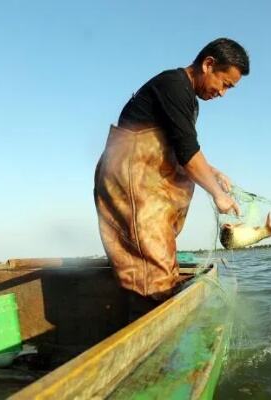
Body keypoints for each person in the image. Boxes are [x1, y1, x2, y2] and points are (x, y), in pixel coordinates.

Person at [93, 38, 249, 301]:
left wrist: (213, 173)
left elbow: (178, 145)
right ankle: (145, 336)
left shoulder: (188, 98)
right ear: (208, 64)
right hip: (131, 185)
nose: (223, 93)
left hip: (147, 190)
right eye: (224, 84)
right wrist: (217, 194)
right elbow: (187, 151)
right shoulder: (173, 85)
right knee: (151, 276)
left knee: (160, 266)